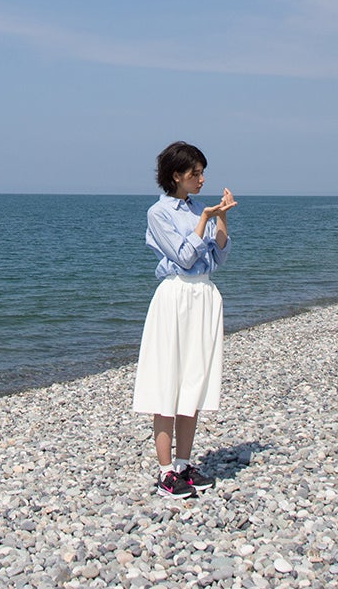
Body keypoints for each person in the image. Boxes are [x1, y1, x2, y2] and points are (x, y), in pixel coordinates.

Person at [131, 141, 237, 498]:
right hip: (176, 295)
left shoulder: (198, 210)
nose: (202, 179)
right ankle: (165, 473)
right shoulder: (158, 214)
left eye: (203, 172)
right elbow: (184, 257)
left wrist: (220, 217)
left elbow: (219, 258)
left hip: (204, 295)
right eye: (195, 173)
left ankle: (184, 465)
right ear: (176, 175)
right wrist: (204, 220)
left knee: (193, 382)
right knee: (168, 382)